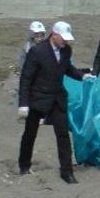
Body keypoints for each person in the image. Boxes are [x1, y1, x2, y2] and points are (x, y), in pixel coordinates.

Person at [18, 21, 94, 184]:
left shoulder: (66, 50)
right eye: (63, 38)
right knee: (30, 134)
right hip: (38, 98)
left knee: (63, 135)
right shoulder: (37, 51)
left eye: (67, 39)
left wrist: (82, 76)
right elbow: (26, 78)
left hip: (58, 98)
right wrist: (23, 103)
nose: (65, 42)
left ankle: (66, 172)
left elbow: (68, 68)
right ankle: (24, 165)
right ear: (54, 34)